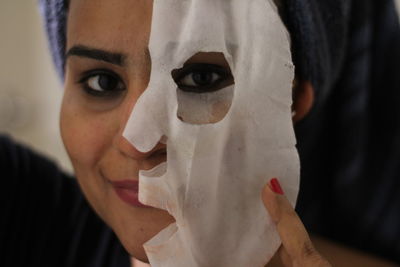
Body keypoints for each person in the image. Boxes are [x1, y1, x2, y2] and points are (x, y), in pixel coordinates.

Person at [1, 0, 399, 266]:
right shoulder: (31, 220)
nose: (136, 140)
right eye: (102, 82)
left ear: (292, 101)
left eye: (200, 78)